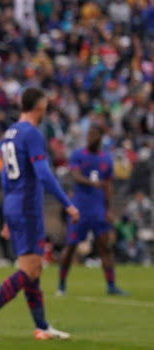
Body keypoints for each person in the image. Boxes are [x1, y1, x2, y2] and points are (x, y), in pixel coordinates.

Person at [0, 87, 79, 342]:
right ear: (39, 106)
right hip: (28, 206)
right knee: (30, 268)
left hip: (14, 203)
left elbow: (6, 178)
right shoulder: (32, 133)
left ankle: (41, 326)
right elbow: (43, 172)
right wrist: (67, 204)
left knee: (33, 268)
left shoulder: (10, 133)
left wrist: (8, 215)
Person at [57, 125, 127, 296]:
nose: (90, 138)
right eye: (88, 134)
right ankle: (61, 285)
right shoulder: (78, 155)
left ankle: (111, 285)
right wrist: (93, 183)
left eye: (94, 134)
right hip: (80, 209)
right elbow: (76, 176)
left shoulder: (106, 159)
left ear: (101, 137)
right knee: (71, 246)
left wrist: (108, 209)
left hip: (98, 209)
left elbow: (108, 186)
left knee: (105, 247)